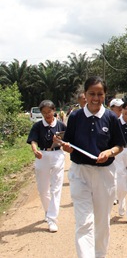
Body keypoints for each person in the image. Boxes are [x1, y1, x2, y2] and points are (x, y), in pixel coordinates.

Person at [62, 76, 126, 258]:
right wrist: (65, 147)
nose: (96, 98)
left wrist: (108, 153)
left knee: (102, 221)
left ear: (105, 95)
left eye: (100, 94)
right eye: (92, 94)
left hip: (104, 175)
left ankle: (100, 254)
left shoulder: (111, 118)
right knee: (83, 221)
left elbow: (119, 146)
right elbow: (68, 143)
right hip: (80, 174)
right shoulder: (75, 116)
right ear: (85, 94)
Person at [26, 100, 67, 233]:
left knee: (56, 188)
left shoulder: (61, 125)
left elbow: (67, 142)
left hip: (57, 155)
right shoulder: (38, 126)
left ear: (54, 110)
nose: (47, 115)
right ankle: (48, 211)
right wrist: (35, 150)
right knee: (43, 189)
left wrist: (60, 141)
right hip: (42, 155)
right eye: (44, 113)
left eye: (49, 112)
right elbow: (33, 140)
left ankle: (52, 219)